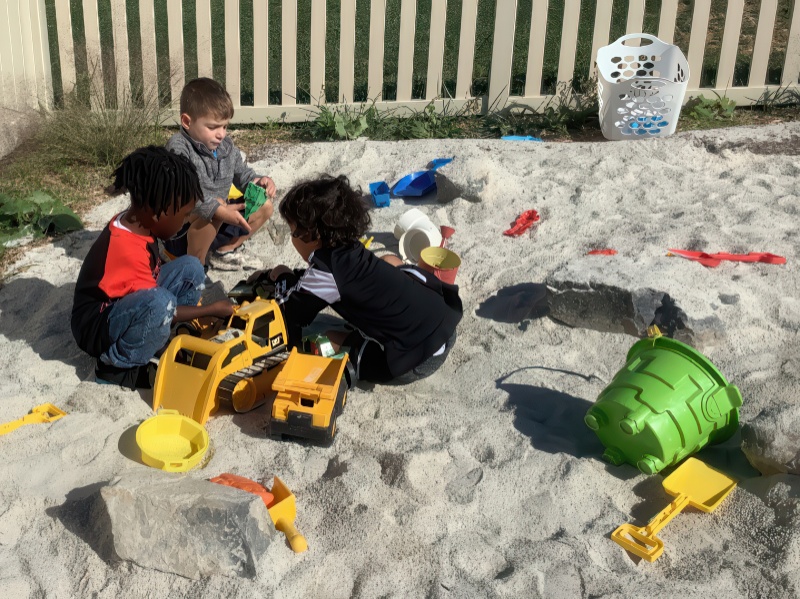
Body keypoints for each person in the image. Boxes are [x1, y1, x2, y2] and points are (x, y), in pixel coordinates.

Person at [258, 175, 462, 383]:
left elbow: (293, 312)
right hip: (444, 324)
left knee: (326, 340)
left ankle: (359, 355)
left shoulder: (326, 274)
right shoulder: (350, 246)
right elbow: (321, 282)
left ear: (311, 236)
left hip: (418, 360)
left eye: (293, 233)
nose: (293, 240)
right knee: (388, 260)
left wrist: (283, 275)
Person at [71, 147, 234, 389]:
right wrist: (210, 310)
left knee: (190, 268)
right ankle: (117, 366)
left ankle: (165, 336)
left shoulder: (138, 220)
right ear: (160, 213)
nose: (186, 221)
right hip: (98, 327)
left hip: (128, 303)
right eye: (184, 215)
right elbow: (164, 305)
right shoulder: (126, 249)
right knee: (161, 305)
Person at [165, 77, 277, 271]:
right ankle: (194, 266)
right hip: (183, 230)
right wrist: (219, 209)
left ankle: (224, 251)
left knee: (264, 205)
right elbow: (186, 194)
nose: (221, 134)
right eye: (212, 127)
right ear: (186, 121)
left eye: (224, 126)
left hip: (219, 220)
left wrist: (258, 181)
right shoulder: (179, 148)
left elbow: (242, 174)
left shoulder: (225, 145)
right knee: (215, 205)